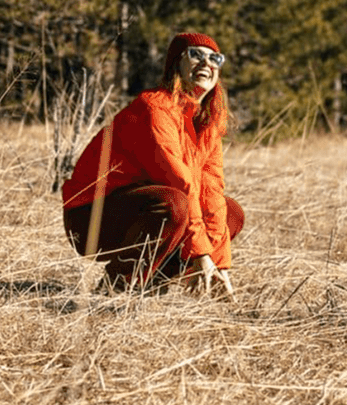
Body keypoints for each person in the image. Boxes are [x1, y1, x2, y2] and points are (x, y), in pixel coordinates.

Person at [60, 32, 243, 297]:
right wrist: (200, 252)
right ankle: (117, 286)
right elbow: (179, 182)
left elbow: (211, 188)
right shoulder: (154, 108)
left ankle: (152, 286)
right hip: (91, 217)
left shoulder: (208, 122)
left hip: (145, 208)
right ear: (175, 64)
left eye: (215, 58)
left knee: (231, 212)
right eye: (196, 54)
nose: (207, 63)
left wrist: (219, 260)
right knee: (174, 204)